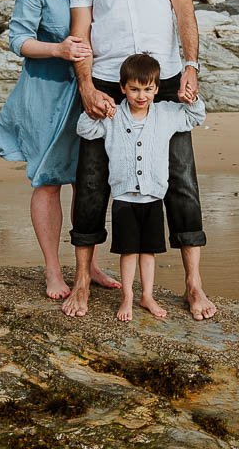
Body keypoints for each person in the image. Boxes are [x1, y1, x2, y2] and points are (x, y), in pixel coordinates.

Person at [62, 0, 218, 320]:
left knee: (181, 181)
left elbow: (184, 9)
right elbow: (80, 35)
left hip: (164, 79)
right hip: (109, 83)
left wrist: (191, 66)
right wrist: (87, 87)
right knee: (91, 185)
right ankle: (82, 285)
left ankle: (193, 285)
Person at [0, 0, 120, 300]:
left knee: (92, 180)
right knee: (49, 181)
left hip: (95, 89)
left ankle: (90, 264)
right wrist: (58, 50)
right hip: (46, 95)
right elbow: (17, 39)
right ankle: (52, 270)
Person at [76, 53, 206, 321]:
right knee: (128, 251)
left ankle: (147, 295)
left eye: (148, 89)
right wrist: (98, 111)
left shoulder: (167, 113)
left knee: (148, 251)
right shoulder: (114, 116)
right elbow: (85, 130)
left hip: (153, 198)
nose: (141, 95)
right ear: (122, 87)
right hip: (124, 198)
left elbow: (195, 117)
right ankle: (127, 297)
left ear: (157, 89)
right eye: (134, 89)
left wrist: (190, 98)